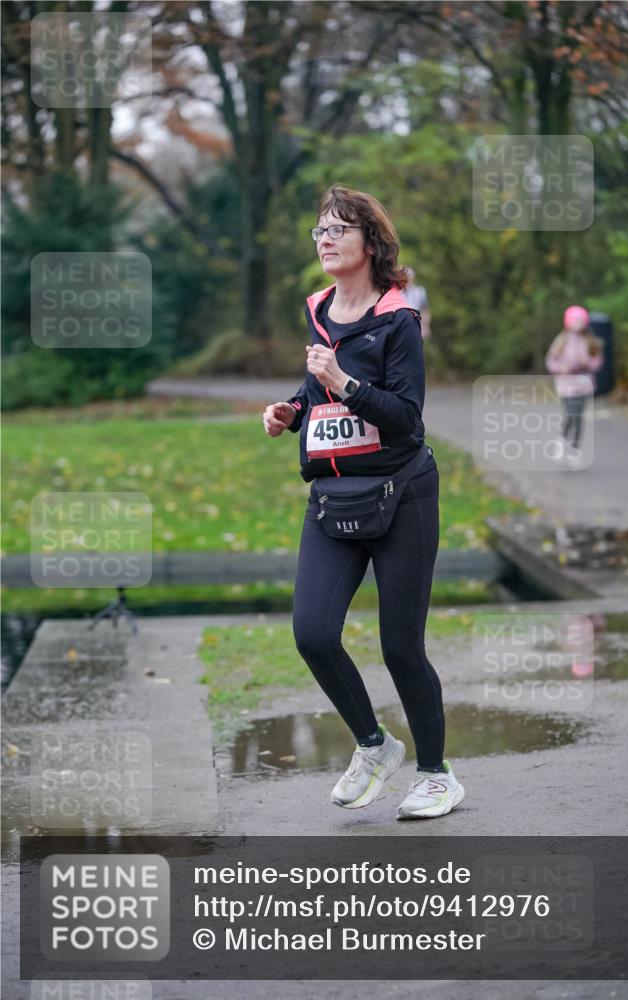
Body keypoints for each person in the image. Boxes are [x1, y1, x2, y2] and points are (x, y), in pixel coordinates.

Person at [262, 185, 464, 821]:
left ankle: (437, 775)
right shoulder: (321, 309)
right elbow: (316, 377)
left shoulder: (399, 319)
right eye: (319, 229)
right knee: (312, 634)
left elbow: (407, 418)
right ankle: (374, 747)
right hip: (332, 499)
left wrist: (344, 385)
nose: (323, 239)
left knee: (401, 646)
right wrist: (293, 410)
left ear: (370, 243)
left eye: (338, 229)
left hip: (402, 496)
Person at [545, 305, 604, 468]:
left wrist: (588, 364)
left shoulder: (590, 341)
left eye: (580, 321)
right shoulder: (561, 341)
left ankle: (574, 448)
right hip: (566, 383)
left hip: (584, 382)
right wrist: (562, 368)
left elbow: (597, 361)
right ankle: (562, 439)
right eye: (575, 320)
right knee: (571, 412)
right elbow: (551, 362)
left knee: (579, 416)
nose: (578, 324)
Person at [402, 267, 432, 339]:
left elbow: (425, 310)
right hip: (402, 325)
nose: (408, 281)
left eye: (410, 279)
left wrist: (426, 326)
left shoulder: (419, 292)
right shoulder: (397, 293)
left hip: (416, 324)